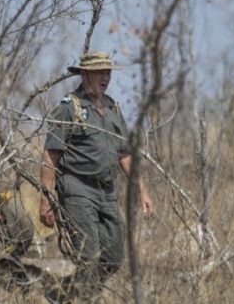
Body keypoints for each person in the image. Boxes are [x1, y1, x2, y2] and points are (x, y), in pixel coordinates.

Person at [40, 51, 154, 301]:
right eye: (100, 72)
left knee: (113, 257)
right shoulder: (68, 109)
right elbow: (50, 156)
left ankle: (62, 293)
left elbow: (125, 154)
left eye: (108, 72)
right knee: (88, 257)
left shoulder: (113, 107)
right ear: (85, 74)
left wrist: (142, 191)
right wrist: (46, 199)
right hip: (77, 190)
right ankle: (87, 297)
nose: (106, 77)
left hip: (107, 192)